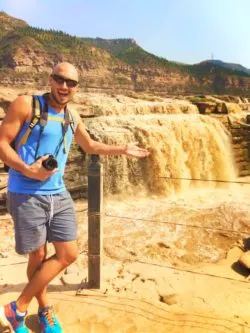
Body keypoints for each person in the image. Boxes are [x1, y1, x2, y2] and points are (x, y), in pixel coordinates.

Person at [0, 62, 150, 333]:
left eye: (71, 82)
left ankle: (17, 307)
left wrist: (122, 149)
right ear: (50, 79)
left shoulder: (72, 116)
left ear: (77, 87)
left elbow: (89, 145)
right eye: (60, 79)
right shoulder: (26, 104)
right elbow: (2, 143)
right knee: (38, 254)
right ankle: (43, 309)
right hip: (25, 193)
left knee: (68, 253)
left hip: (58, 193)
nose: (64, 86)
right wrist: (26, 168)